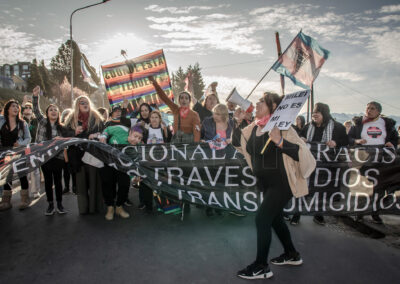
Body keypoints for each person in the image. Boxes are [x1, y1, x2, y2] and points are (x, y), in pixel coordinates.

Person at [232, 92, 316, 280]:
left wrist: (280, 141)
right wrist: (238, 123)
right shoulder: (253, 127)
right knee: (275, 219)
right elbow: (238, 144)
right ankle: (292, 254)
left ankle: (261, 266)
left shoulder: (283, 128)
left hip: (282, 184)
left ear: (274, 107)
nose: (257, 103)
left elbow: (303, 154)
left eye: (262, 101)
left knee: (262, 219)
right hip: (265, 184)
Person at [348, 101, 398, 224]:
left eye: (372, 108)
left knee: (378, 188)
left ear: (378, 111)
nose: (369, 110)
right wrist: (357, 141)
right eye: (368, 108)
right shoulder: (358, 123)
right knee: (362, 187)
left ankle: (375, 213)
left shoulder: (387, 124)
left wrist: (392, 143)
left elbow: (394, 139)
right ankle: (359, 213)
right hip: (363, 159)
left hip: (381, 161)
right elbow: (348, 139)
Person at [300, 102, 348, 225]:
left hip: (327, 166)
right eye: (313, 112)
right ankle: (297, 213)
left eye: (318, 112)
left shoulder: (337, 127)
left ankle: (318, 214)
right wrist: (302, 139)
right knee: (305, 188)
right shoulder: (307, 127)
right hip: (310, 164)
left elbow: (346, 141)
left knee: (322, 191)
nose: (314, 114)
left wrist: (336, 142)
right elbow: (299, 137)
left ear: (325, 113)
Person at [63, 95, 104, 214]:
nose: (85, 104)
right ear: (77, 105)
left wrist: (95, 136)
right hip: (77, 157)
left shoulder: (96, 117)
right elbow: (65, 134)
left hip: (93, 154)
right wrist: (74, 132)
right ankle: (83, 209)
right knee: (81, 184)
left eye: (86, 102)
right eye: (82, 102)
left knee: (94, 181)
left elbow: (102, 132)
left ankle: (95, 208)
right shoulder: (71, 118)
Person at [32, 86, 67, 215]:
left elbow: (66, 142)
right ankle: (50, 205)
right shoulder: (42, 122)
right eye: (51, 110)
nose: (53, 111)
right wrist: (35, 97)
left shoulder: (61, 127)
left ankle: (60, 204)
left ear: (58, 114)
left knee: (58, 182)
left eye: (56, 110)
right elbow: (36, 110)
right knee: (48, 182)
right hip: (45, 157)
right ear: (47, 113)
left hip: (58, 158)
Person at [99, 100, 132, 220]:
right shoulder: (106, 124)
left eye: (119, 111)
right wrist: (103, 136)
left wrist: (124, 109)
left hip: (124, 158)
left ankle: (119, 206)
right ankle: (110, 207)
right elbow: (102, 135)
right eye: (115, 111)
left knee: (124, 183)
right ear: (111, 113)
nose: (117, 113)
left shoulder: (127, 123)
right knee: (107, 182)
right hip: (108, 158)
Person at [149, 75, 201, 143]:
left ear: (189, 101)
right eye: (181, 98)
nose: (184, 100)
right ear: (179, 101)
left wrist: (195, 146)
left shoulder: (194, 114)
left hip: (189, 144)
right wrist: (154, 83)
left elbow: (197, 131)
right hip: (177, 144)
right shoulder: (176, 109)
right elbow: (164, 97)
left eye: (186, 98)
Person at [0, 100, 31, 211]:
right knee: (7, 175)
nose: (16, 108)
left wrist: (20, 144)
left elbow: (28, 138)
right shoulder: (1, 120)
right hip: (5, 152)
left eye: (17, 107)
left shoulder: (22, 123)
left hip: (18, 152)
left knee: (22, 174)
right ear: (7, 108)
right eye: (13, 106)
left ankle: (24, 199)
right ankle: (6, 201)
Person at [22, 101, 41, 199]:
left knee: (34, 170)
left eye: (30, 107)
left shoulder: (35, 121)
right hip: (23, 148)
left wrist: (28, 125)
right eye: (26, 107)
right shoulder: (20, 120)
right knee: (23, 171)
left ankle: (35, 191)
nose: (28, 108)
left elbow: (34, 134)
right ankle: (24, 192)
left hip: (33, 147)